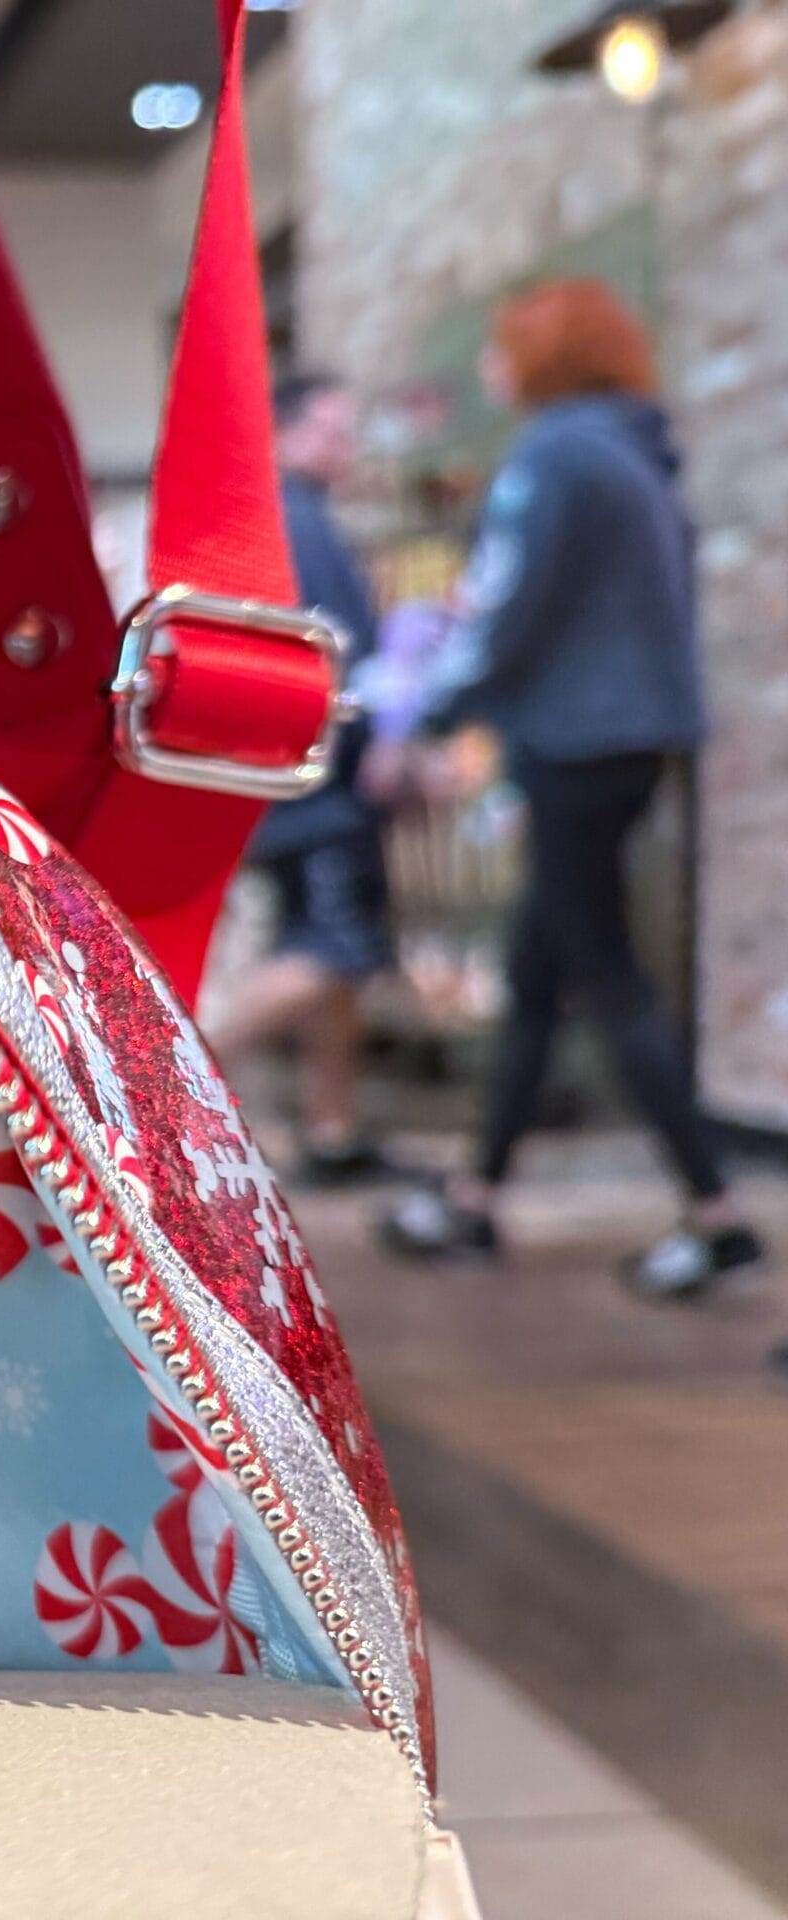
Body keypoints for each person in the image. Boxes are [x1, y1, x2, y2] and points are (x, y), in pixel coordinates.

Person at [380, 278, 761, 1298]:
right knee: (542, 965)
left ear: (544, 354)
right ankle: (476, 1196)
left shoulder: (553, 455)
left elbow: (510, 608)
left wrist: (428, 716)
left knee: (600, 968)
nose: (489, 371)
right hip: (629, 743)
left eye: (503, 350)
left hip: (574, 744)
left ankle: (713, 1208)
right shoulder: (634, 452)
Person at [205, 373, 397, 1185]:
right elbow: (334, 654)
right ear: (282, 432)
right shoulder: (299, 524)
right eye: (328, 425)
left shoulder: (285, 520)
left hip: (291, 781)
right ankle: (157, 1084)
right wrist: (381, 748)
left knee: (330, 952)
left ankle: (332, 1127)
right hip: (317, 788)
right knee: (333, 946)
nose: (343, 443)